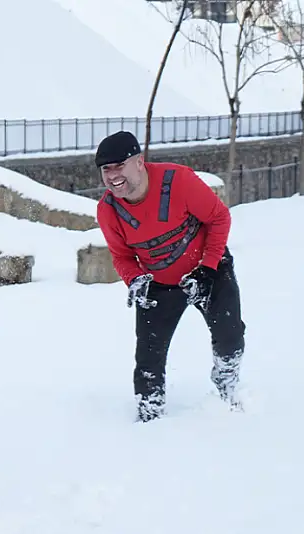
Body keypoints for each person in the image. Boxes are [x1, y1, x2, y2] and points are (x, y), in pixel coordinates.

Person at [93, 131, 246, 421]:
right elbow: (122, 255)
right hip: (159, 285)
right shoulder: (108, 211)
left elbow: (219, 218)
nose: (113, 176)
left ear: (139, 161)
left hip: (208, 269)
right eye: (106, 169)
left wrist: (208, 267)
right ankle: (150, 416)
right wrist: (134, 279)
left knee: (230, 336)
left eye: (119, 166)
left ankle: (228, 388)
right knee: (148, 360)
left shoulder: (178, 181)